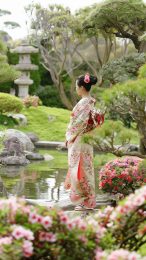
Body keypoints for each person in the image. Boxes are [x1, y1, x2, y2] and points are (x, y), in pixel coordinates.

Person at [64, 73, 97, 211]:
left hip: (79, 138)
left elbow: (78, 123)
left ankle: (84, 201)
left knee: (79, 168)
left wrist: (69, 136)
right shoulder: (92, 101)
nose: (76, 88)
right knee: (85, 168)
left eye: (77, 86)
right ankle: (86, 200)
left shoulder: (84, 102)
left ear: (82, 87)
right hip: (87, 139)